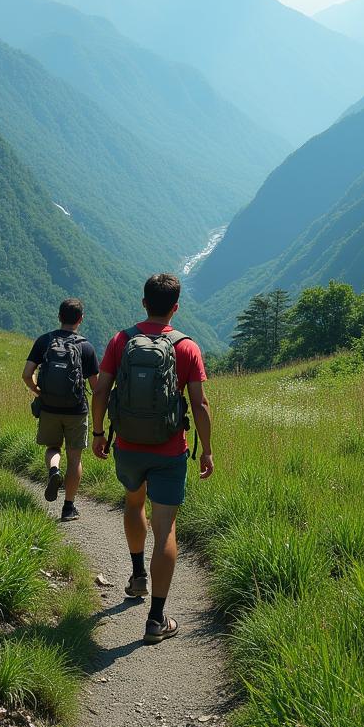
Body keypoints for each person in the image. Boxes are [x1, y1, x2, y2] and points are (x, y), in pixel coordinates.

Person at [92, 273, 214, 645]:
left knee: (133, 503)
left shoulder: (120, 340)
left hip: (127, 445)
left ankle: (137, 575)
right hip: (170, 450)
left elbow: (100, 390)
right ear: (175, 307)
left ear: (144, 302)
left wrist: (98, 433)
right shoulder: (187, 347)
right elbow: (200, 403)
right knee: (166, 527)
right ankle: (156, 619)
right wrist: (206, 449)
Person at [22, 298, 99, 522]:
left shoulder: (45, 341)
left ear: (59, 317)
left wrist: (38, 391)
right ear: (81, 320)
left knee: (53, 447)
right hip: (76, 410)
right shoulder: (86, 347)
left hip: (49, 407)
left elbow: (27, 374)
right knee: (75, 458)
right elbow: (96, 387)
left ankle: (54, 470)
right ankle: (68, 508)